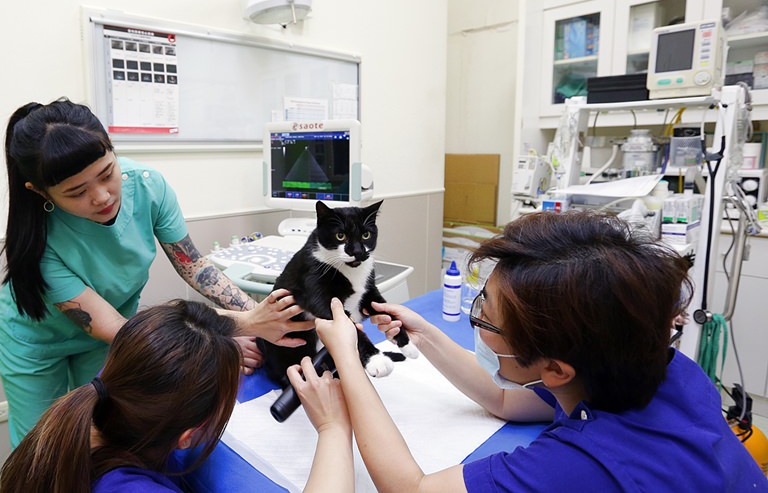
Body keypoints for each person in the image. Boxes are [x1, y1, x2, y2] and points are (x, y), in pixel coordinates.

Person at [294, 211, 768, 492]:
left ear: (555, 368)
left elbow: (410, 489)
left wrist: (349, 363)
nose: (477, 320)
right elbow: (504, 401)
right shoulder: (653, 367)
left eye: (486, 316)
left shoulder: (577, 468)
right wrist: (424, 335)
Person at [0, 99, 314, 447]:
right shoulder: (39, 240)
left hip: (118, 331)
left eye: (107, 174)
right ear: (41, 192)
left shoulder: (147, 186)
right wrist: (238, 327)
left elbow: (193, 265)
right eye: (77, 192)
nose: (102, 196)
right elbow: (117, 329)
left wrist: (260, 315)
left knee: (106, 434)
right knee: (43, 447)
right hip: (39, 342)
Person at [0, 299, 354, 493]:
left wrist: (243, 324)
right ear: (187, 437)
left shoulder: (110, 387)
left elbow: (169, 328)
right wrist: (333, 427)